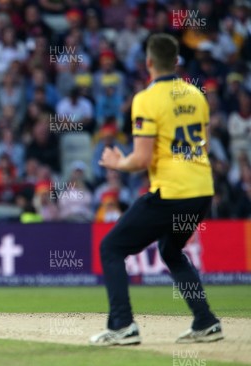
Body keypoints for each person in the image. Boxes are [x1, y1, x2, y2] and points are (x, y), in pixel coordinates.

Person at [91, 34, 223, 345]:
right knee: (171, 250)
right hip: (202, 189)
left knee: (111, 248)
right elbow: (199, 145)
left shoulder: (146, 99)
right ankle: (205, 321)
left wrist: (116, 162)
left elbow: (142, 159)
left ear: (148, 63)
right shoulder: (195, 95)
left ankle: (122, 325)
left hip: (172, 192)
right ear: (176, 61)